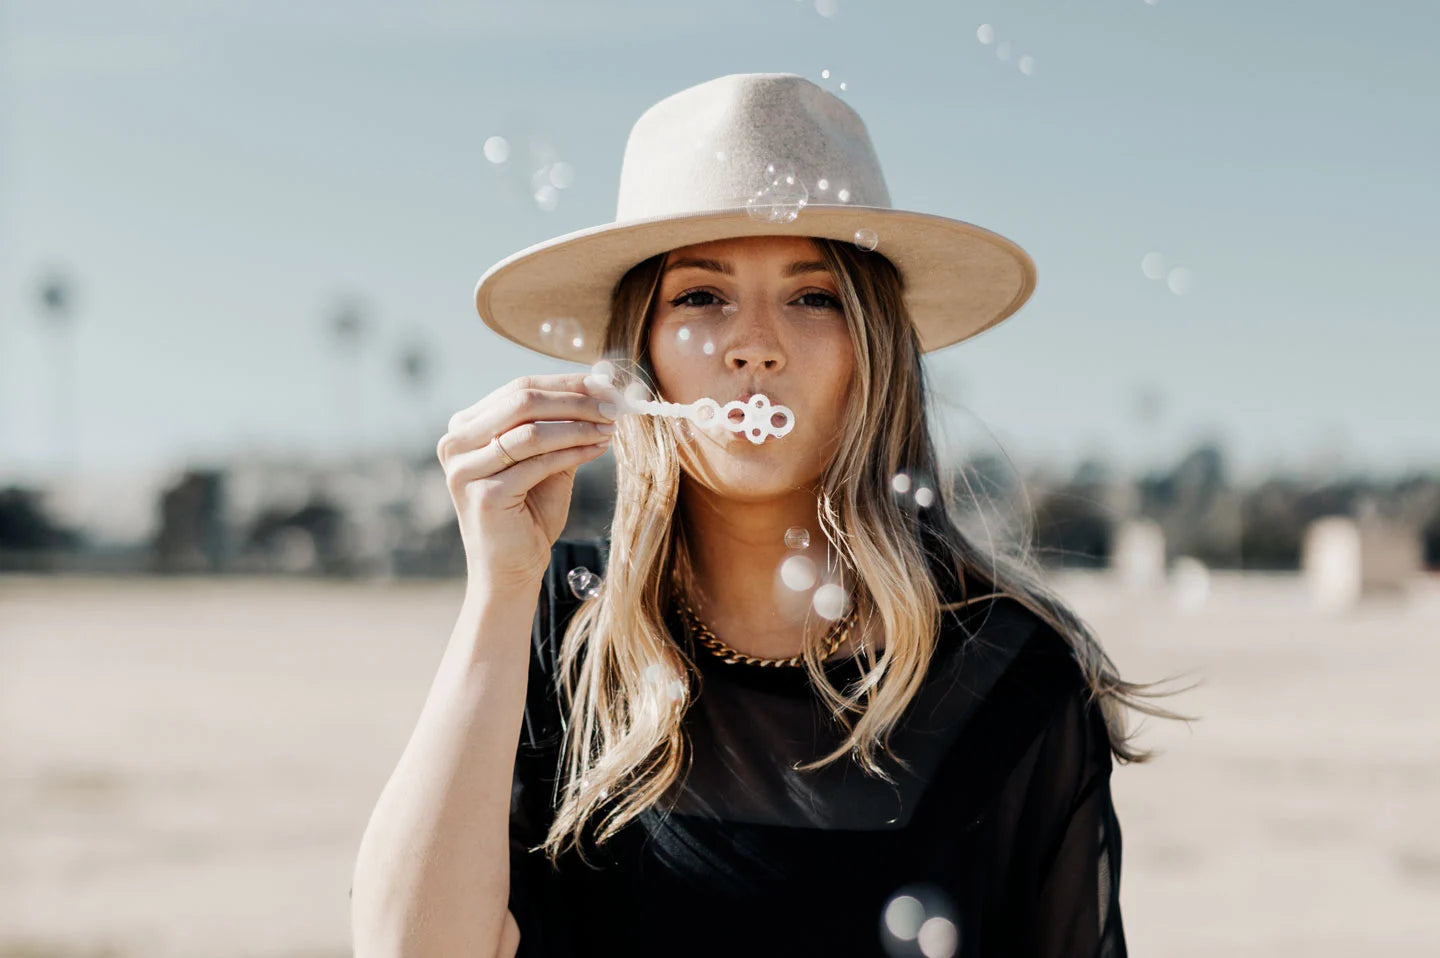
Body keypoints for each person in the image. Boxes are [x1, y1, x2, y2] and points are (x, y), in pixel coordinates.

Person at [352, 73, 1186, 958]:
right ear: (640, 362)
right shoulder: (558, 620)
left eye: (813, 296)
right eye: (701, 297)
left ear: (873, 354)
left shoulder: (1014, 681)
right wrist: (498, 587)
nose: (754, 343)